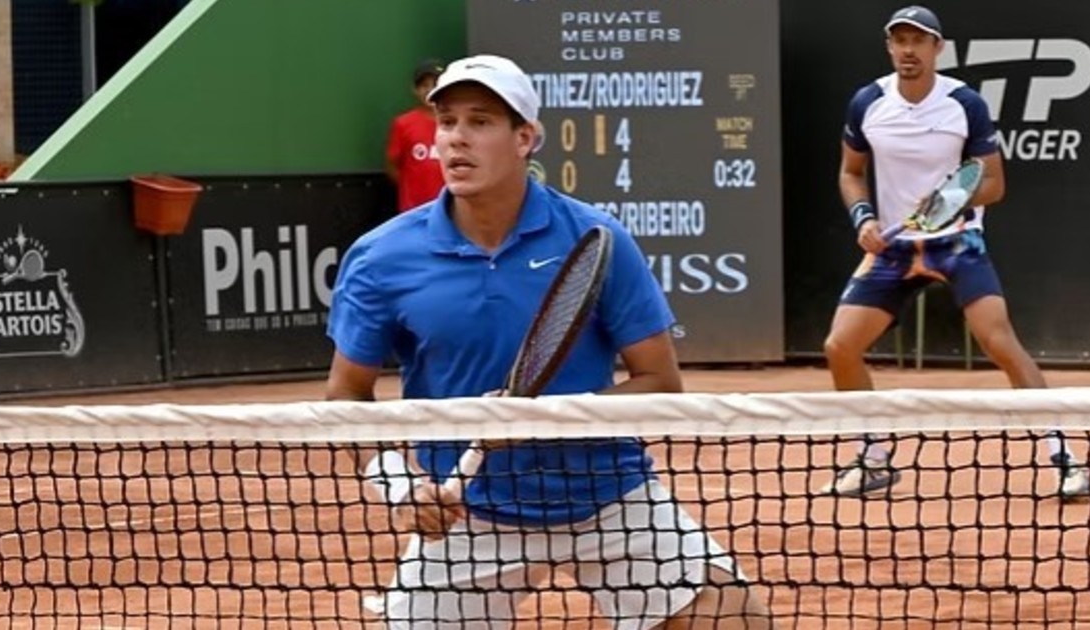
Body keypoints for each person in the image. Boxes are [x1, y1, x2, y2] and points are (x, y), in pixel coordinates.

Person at [327, 54, 773, 629]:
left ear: (525, 138)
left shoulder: (594, 237)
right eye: (447, 121)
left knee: (734, 619)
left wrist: (543, 420)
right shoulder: (381, 256)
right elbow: (347, 395)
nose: (457, 138)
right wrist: (400, 486)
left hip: (607, 498)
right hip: (468, 517)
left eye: (480, 122)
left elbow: (660, 382)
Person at [820, 6, 1090, 500]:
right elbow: (850, 172)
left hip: (957, 242)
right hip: (894, 249)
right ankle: (874, 456)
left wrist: (950, 201)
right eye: (900, 40)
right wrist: (863, 218)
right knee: (840, 346)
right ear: (890, 47)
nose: (908, 50)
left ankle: (1064, 457)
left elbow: (993, 184)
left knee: (999, 341)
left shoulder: (964, 104)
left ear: (936, 48)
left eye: (918, 41)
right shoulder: (868, 102)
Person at [385, 58, 446, 212]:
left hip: (450, 208)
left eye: (435, 85)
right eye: (424, 85)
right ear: (415, 90)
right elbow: (392, 165)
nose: (429, 90)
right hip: (413, 208)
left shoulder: (456, 123)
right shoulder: (403, 123)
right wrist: (410, 189)